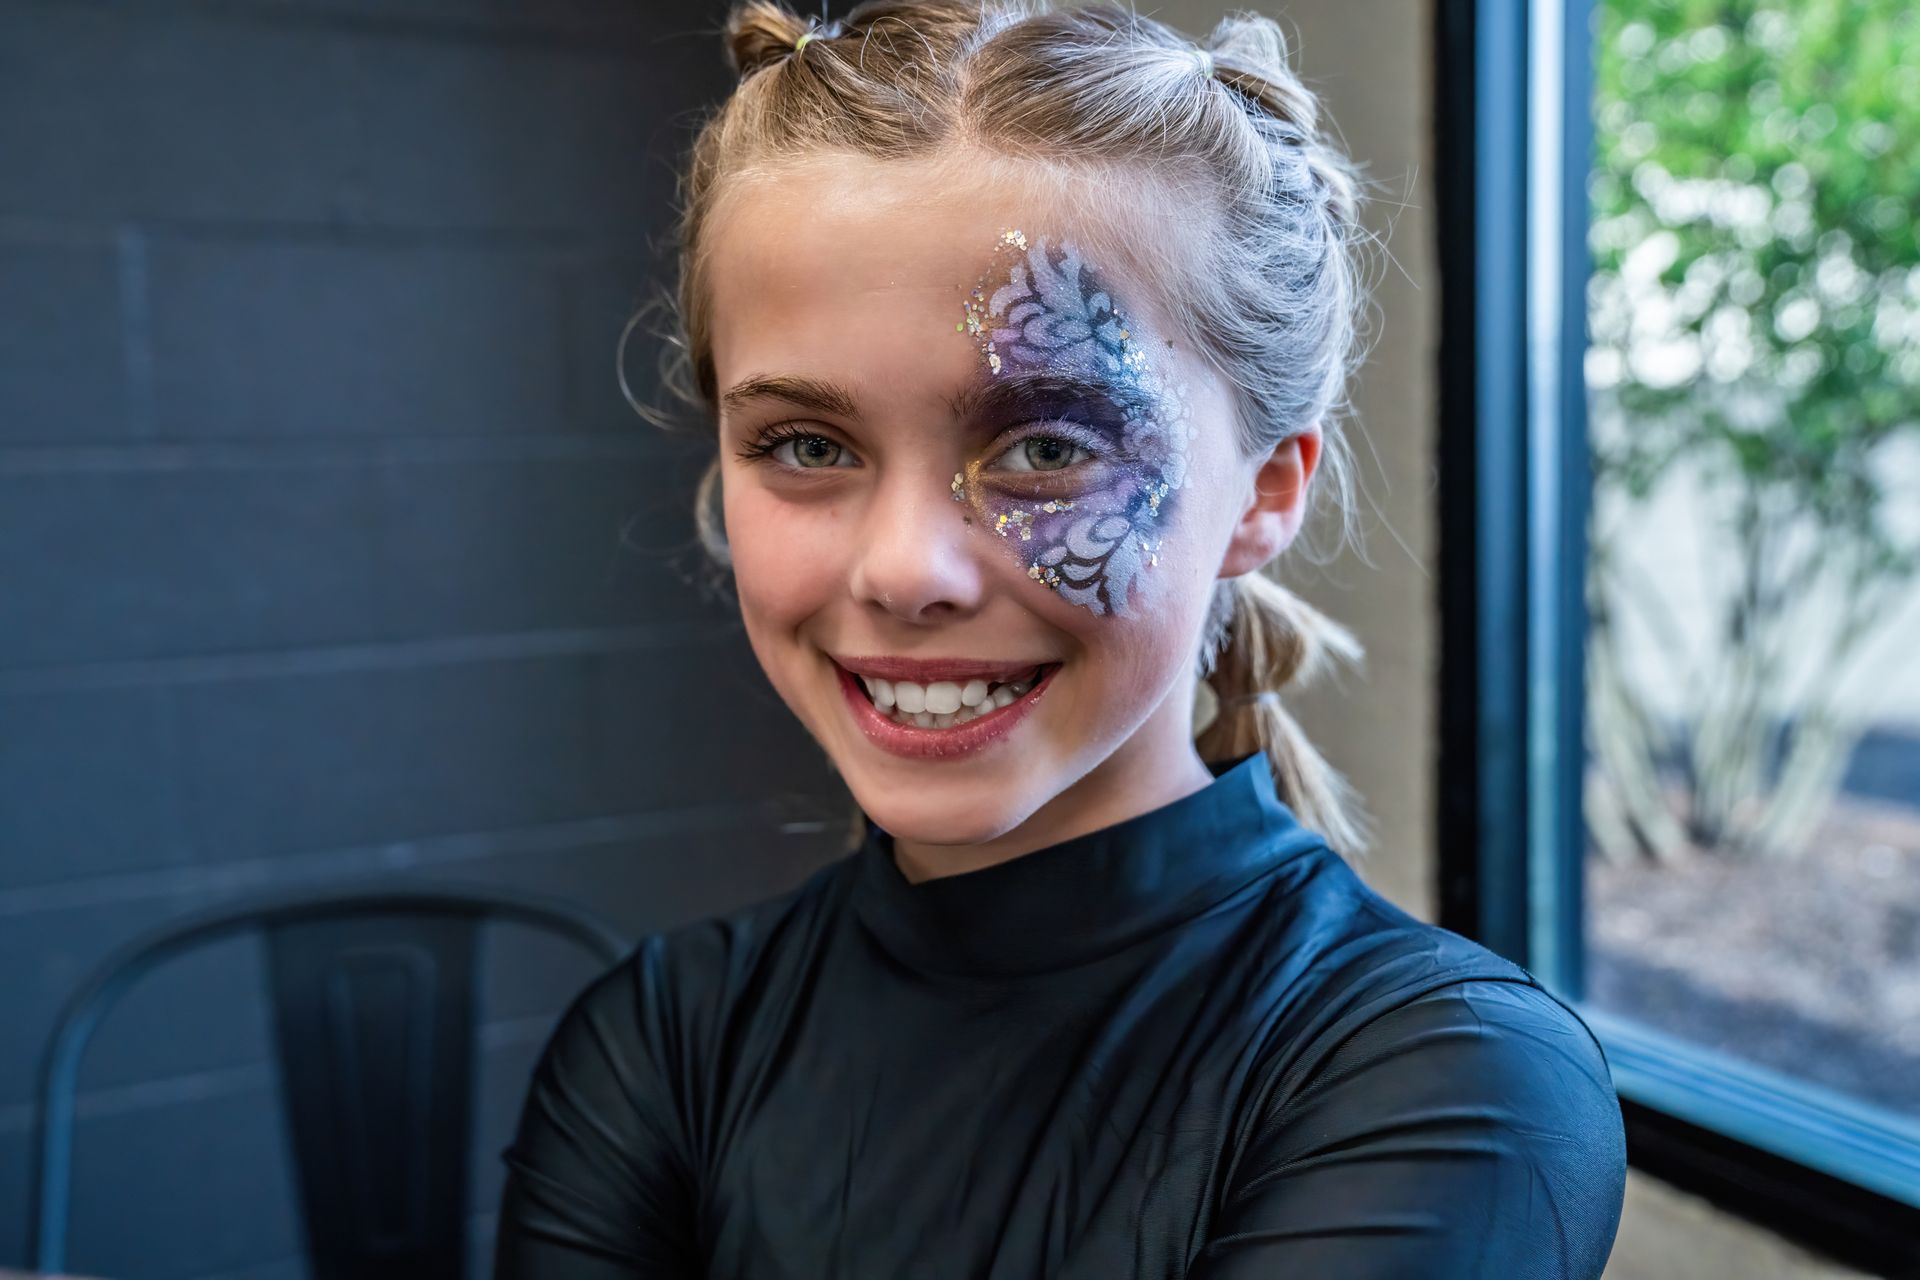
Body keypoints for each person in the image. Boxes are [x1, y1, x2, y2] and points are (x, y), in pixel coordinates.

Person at [492, 1, 1629, 1275]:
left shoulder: (1443, 1080)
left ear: (1263, 492)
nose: (903, 568)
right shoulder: (660, 1042)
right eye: (807, 446)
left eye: (1047, 445)